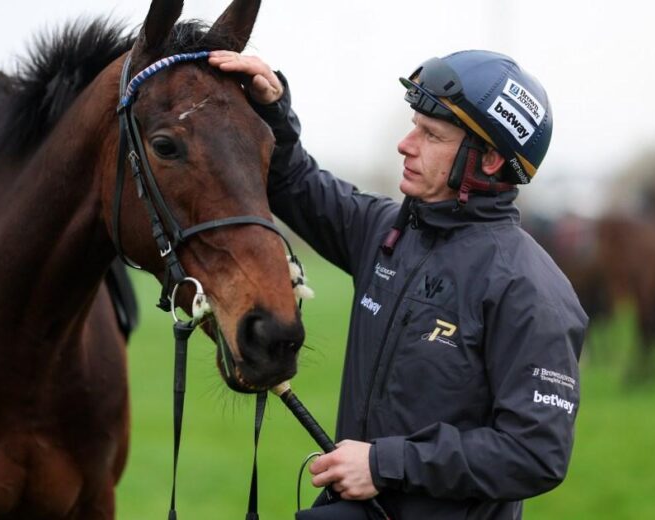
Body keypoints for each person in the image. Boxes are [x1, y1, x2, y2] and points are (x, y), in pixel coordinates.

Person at [209, 49, 587, 519]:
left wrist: (384, 464)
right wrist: (272, 109)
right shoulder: (386, 232)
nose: (406, 144)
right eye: (415, 126)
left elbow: (535, 454)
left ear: (488, 159)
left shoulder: (530, 289)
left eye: (431, 135)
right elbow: (296, 182)